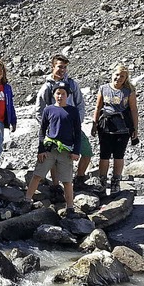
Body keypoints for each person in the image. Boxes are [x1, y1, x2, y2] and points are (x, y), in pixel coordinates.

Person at [35, 54, 92, 191]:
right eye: (60, 67)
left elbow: (80, 104)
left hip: (73, 127)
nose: (62, 70)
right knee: (54, 157)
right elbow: (39, 110)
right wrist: (48, 127)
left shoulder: (72, 84)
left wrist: (78, 122)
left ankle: (79, 179)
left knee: (87, 152)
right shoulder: (47, 87)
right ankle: (56, 186)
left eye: (65, 67)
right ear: (53, 67)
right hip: (54, 131)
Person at [25, 81, 81, 216]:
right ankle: (26, 201)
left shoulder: (73, 111)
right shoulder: (48, 109)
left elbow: (77, 132)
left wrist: (76, 151)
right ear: (54, 94)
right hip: (49, 148)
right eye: (58, 93)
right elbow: (42, 130)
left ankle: (70, 207)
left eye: (63, 94)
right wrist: (41, 149)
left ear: (67, 95)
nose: (60, 96)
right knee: (37, 175)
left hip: (66, 150)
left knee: (67, 180)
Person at [91, 65, 139, 193]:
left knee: (119, 155)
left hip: (122, 127)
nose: (118, 78)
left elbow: (134, 110)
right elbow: (98, 107)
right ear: (112, 74)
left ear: (125, 78)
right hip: (105, 125)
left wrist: (135, 128)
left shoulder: (128, 91)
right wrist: (94, 124)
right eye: (117, 75)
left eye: (122, 76)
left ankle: (116, 181)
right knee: (104, 155)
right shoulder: (103, 88)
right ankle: (102, 181)